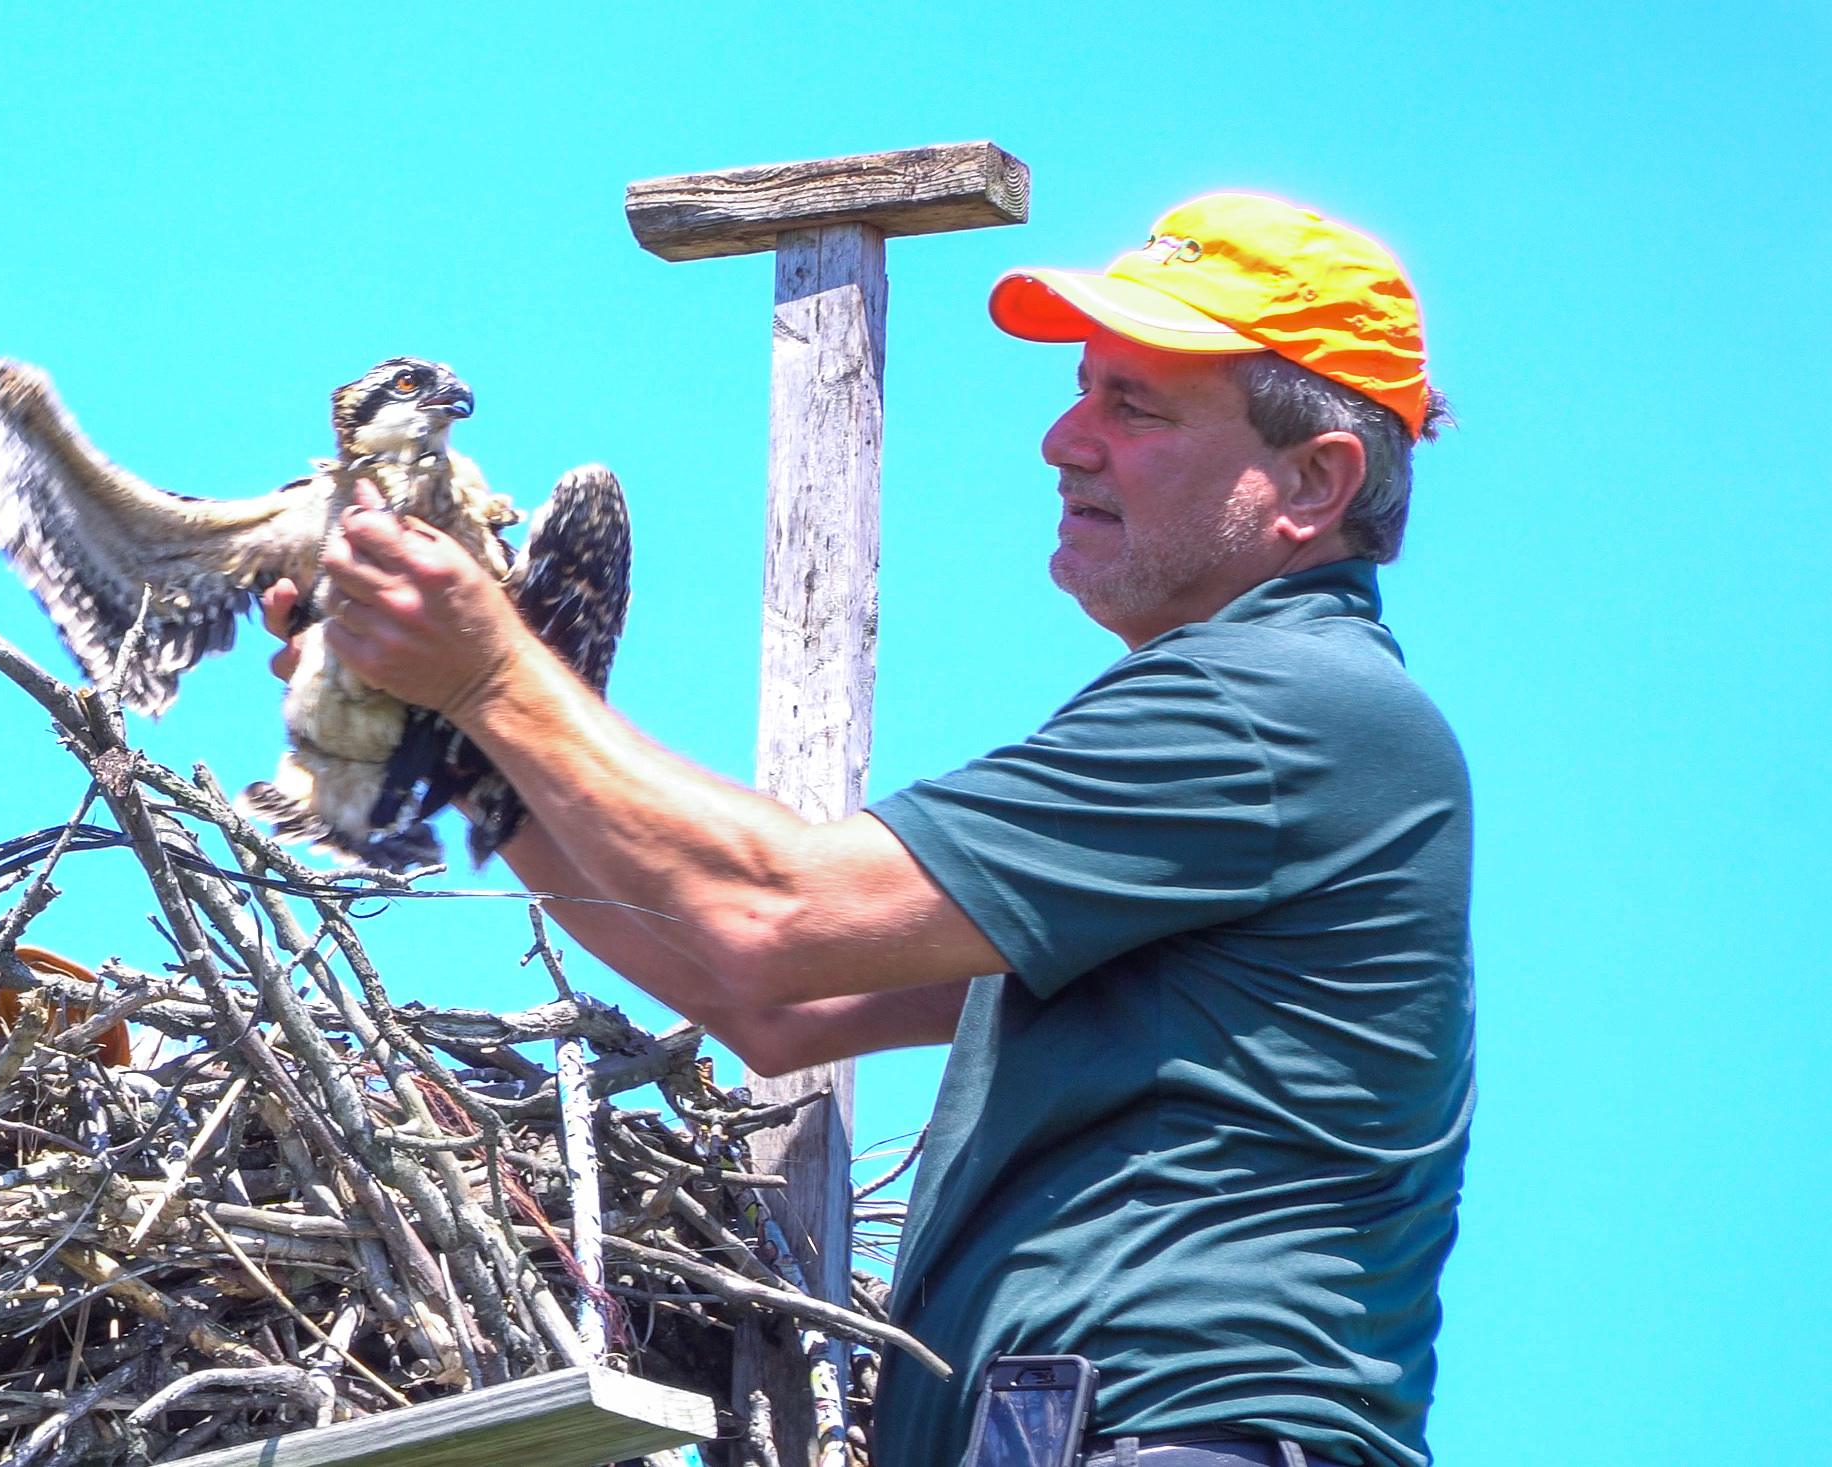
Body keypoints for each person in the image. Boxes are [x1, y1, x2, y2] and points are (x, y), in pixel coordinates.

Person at [265, 193, 1470, 1467]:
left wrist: (487, 678)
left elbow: (770, 922)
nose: (1065, 440)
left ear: (1313, 480)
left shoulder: (1277, 712)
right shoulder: (1248, 756)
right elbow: (779, 1012)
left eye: (1137, 407)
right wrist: (463, 745)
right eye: (1082, 391)